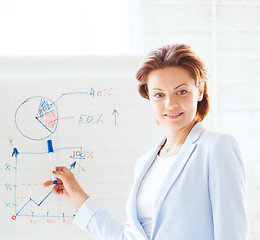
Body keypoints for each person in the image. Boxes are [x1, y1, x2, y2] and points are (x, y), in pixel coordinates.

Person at [43, 44, 248, 240]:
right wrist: (78, 196)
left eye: (182, 91)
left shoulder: (217, 148)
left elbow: (231, 233)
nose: (170, 103)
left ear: (200, 91)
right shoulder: (145, 163)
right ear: (149, 97)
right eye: (159, 94)